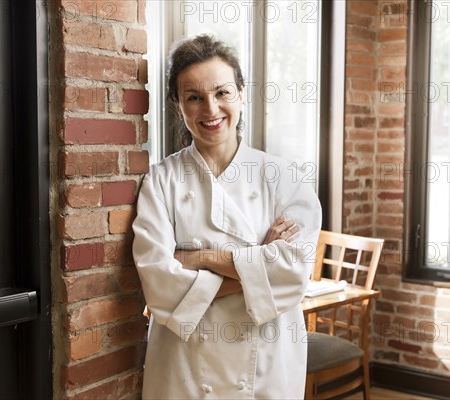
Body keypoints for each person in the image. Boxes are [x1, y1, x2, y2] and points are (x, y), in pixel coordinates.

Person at [132, 34, 322, 399]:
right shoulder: (161, 181)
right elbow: (158, 284)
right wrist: (257, 266)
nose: (211, 109)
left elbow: (295, 272)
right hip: (183, 367)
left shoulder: (283, 178)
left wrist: (200, 258)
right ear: (177, 106)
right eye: (194, 97)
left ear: (241, 94)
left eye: (222, 93)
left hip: (267, 359)